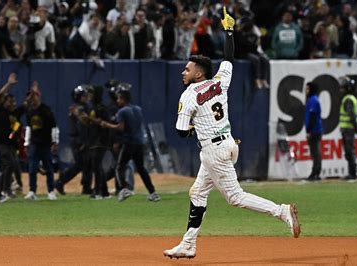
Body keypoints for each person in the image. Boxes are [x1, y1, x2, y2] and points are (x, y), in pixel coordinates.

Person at [163, 8, 300, 260]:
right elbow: (228, 58)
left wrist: (195, 124)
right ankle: (188, 244)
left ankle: (281, 211)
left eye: (187, 69)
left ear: (198, 73)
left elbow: (181, 132)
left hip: (215, 150)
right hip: (227, 143)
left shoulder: (189, 95)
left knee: (235, 197)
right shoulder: (219, 81)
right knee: (198, 192)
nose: (184, 72)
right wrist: (229, 31)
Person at [100, 88, 160, 202]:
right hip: (139, 142)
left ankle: (123, 190)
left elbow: (121, 128)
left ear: (122, 99)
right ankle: (153, 192)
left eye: (118, 98)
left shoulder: (122, 111)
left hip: (128, 143)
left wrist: (107, 125)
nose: (117, 101)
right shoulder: (138, 109)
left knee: (119, 166)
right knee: (141, 168)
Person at [23, 82, 59, 200]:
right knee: (32, 168)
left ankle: (51, 191)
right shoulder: (30, 112)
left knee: (48, 168)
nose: (32, 99)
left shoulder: (46, 110)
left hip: (45, 143)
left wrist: (55, 142)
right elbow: (29, 127)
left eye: (34, 96)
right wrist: (27, 143)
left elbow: (54, 127)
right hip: (34, 143)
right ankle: (32, 191)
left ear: (39, 96)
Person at [55, 85, 91, 195]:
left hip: (79, 139)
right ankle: (61, 181)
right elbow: (82, 126)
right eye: (84, 96)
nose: (87, 97)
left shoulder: (79, 107)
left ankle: (86, 187)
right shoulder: (79, 108)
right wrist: (83, 141)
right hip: (79, 139)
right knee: (81, 164)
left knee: (87, 164)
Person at [338, 76, 357, 180]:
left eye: (343, 88)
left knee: (349, 151)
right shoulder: (348, 99)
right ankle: (351, 172)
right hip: (347, 129)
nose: (341, 90)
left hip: (349, 129)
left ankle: (353, 173)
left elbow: (351, 115)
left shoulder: (348, 99)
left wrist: (356, 128)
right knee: (348, 151)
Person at [305, 82, 323, 181]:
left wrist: (309, 131)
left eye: (307, 89)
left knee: (315, 152)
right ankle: (315, 172)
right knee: (315, 152)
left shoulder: (313, 100)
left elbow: (312, 117)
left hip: (315, 130)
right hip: (314, 130)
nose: (306, 91)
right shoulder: (311, 100)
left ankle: (315, 172)